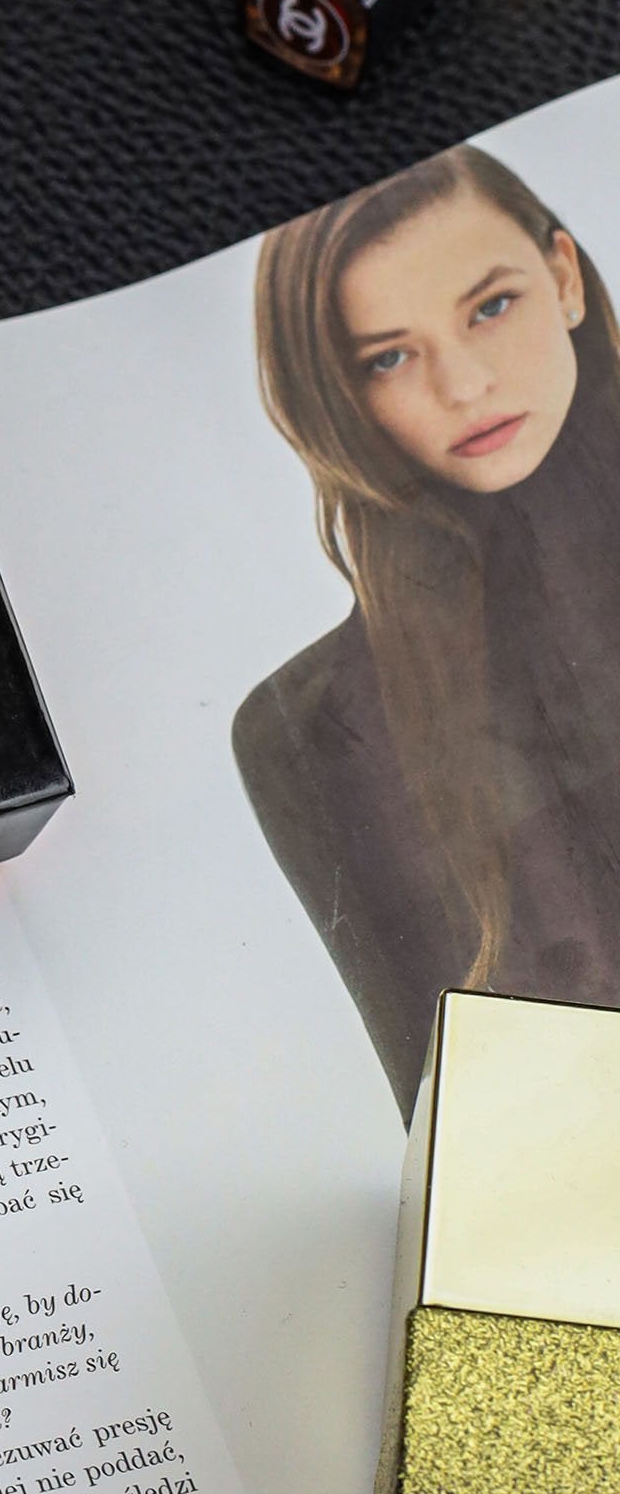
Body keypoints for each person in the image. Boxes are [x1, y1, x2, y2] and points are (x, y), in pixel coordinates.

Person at [233, 144, 620, 1114]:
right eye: (389, 357)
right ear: (337, 394)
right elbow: (464, 1144)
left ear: (563, 278)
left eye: (491, 306)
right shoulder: (312, 729)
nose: (465, 384)